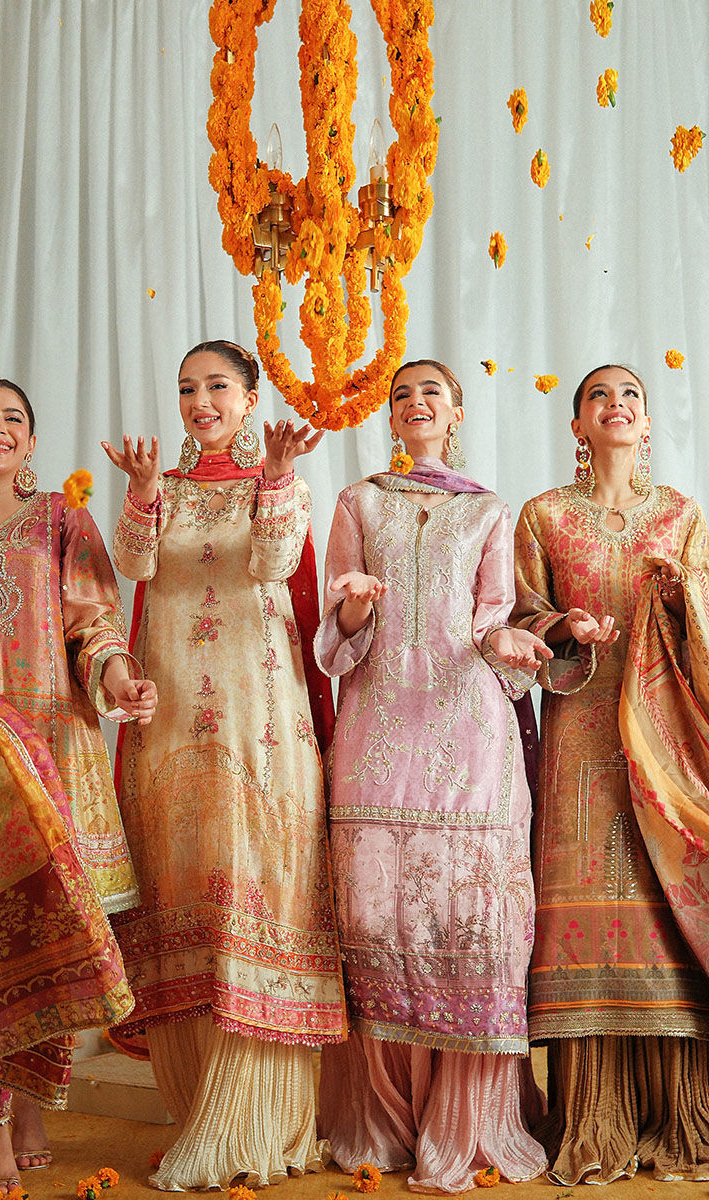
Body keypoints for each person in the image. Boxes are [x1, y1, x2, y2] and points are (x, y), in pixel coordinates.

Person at [102, 339, 345, 1190]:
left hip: (262, 728)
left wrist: (275, 476)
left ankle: (256, 1125)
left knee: (256, 893)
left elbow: (277, 563)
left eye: (216, 387)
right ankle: (200, 1108)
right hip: (170, 726)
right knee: (183, 901)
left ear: (247, 400)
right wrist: (141, 492)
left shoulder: (282, 484)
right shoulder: (161, 490)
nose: (200, 401)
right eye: (187, 389)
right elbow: (132, 566)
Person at [0, 378, 156, 1191]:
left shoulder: (61, 520)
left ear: (31, 442)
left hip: (51, 750)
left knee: (47, 933)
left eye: (13, 418)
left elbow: (94, 626)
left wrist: (118, 678)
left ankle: (29, 1101)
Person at [314, 359, 550, 1193]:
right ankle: (382, 1124)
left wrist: (507, 641)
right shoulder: (359, 502)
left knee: (470, 918)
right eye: (402, 394)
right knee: (378, 918)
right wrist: (355, 604)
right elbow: (338, 632)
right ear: (391, 418)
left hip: (468, 729)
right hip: (376, 729)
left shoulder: (487, 509)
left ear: (455, 415)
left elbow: (491, 618)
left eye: (432, 394)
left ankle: (466, 1125)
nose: (416, 403)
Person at [512, 363, 709, 1183]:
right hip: (581, 738)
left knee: (665, 912)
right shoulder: (543, 515)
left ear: (649, 423)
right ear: (577, 426)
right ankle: (592, 1119)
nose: (616, 405)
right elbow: (520, 619)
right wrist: (566, 624)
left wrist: (682, 593)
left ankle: (680, 1115)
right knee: (579, 908)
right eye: (598, 396)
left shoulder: (683, 515)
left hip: (665, 745)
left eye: (630, 395)